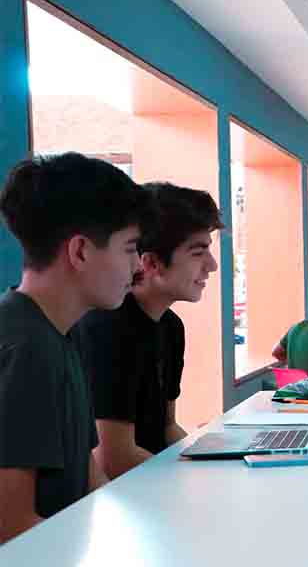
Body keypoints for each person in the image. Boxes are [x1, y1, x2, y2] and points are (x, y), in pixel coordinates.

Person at [0, 153, 152, 543]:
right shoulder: (25, 347)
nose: (138, 267)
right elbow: (12, 530)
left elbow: (90, 478)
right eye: (130, 249)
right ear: (81, 251)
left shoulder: (58, 333)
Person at [73, 183, 223, 479]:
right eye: (198, 252)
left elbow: (167, 428)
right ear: (151, 262)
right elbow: (113, 458)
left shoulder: (170, 326)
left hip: (152, 486)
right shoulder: (106, 327)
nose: (212, 265)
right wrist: (195, 484)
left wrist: (211, 462)